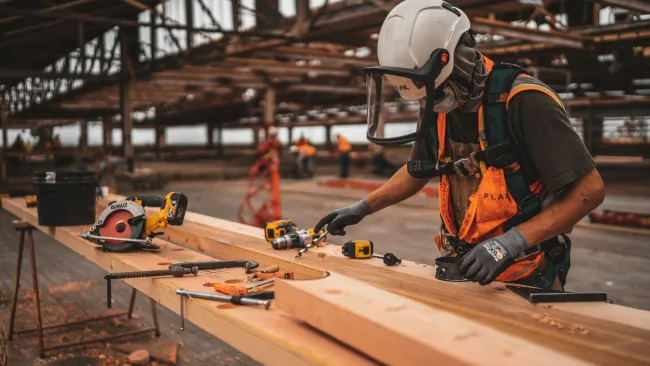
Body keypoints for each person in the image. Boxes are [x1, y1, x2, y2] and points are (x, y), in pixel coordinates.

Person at [314, 0, 605, 290]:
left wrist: (509, 243)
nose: (432, 101)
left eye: (437, 90)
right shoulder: (436, 102)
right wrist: (363, 207)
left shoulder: (523, 101)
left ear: (458, 60)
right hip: (461, 265)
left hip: (526, 270)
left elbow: (589, 191)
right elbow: (418, 170)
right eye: (427, 95)